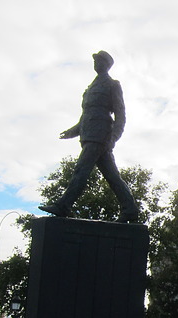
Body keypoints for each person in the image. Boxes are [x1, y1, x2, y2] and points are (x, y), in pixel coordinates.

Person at [39, 50, 139, 223]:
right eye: (94, 61)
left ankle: (63, 205)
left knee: (81, 171)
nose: (95, 64)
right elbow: (87, 114)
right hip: (89, 135)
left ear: (106, 65)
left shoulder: (112, 85)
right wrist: (73, 131)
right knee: (112, 176)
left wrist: (113, 138)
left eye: (99, 61)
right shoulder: (92, 87)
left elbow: (121, 116)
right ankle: (130, 209)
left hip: (100, 137)